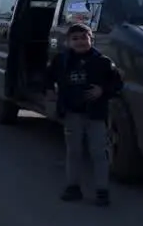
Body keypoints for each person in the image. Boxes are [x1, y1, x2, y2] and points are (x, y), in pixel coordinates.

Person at [45, 23, 124, 207]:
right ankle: (73, 186)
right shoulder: (61, 60)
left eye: (84, 37)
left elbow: (118, 84)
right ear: (68, 42)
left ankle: (102, 190)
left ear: (91, 39)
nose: (80, 42)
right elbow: (48, 76)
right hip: (72, 112)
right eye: (75, 38)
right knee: (74, 151)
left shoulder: (103, 62)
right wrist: (49, 90)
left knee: (99, 153)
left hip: (95, 114)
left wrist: (102, 90)